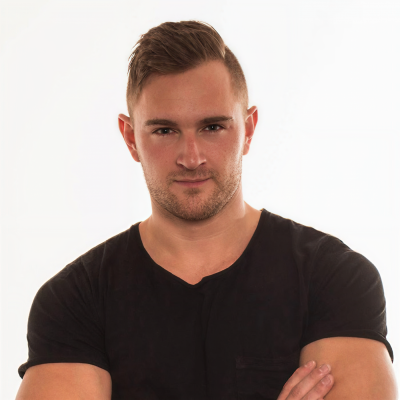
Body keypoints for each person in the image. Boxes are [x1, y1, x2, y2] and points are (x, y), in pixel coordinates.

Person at [16, 21, 397, 400]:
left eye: (212, 127)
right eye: (165, 131)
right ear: (131, 138)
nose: (191, 157)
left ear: (248, 129)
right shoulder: (75, 300)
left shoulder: (332, 278)